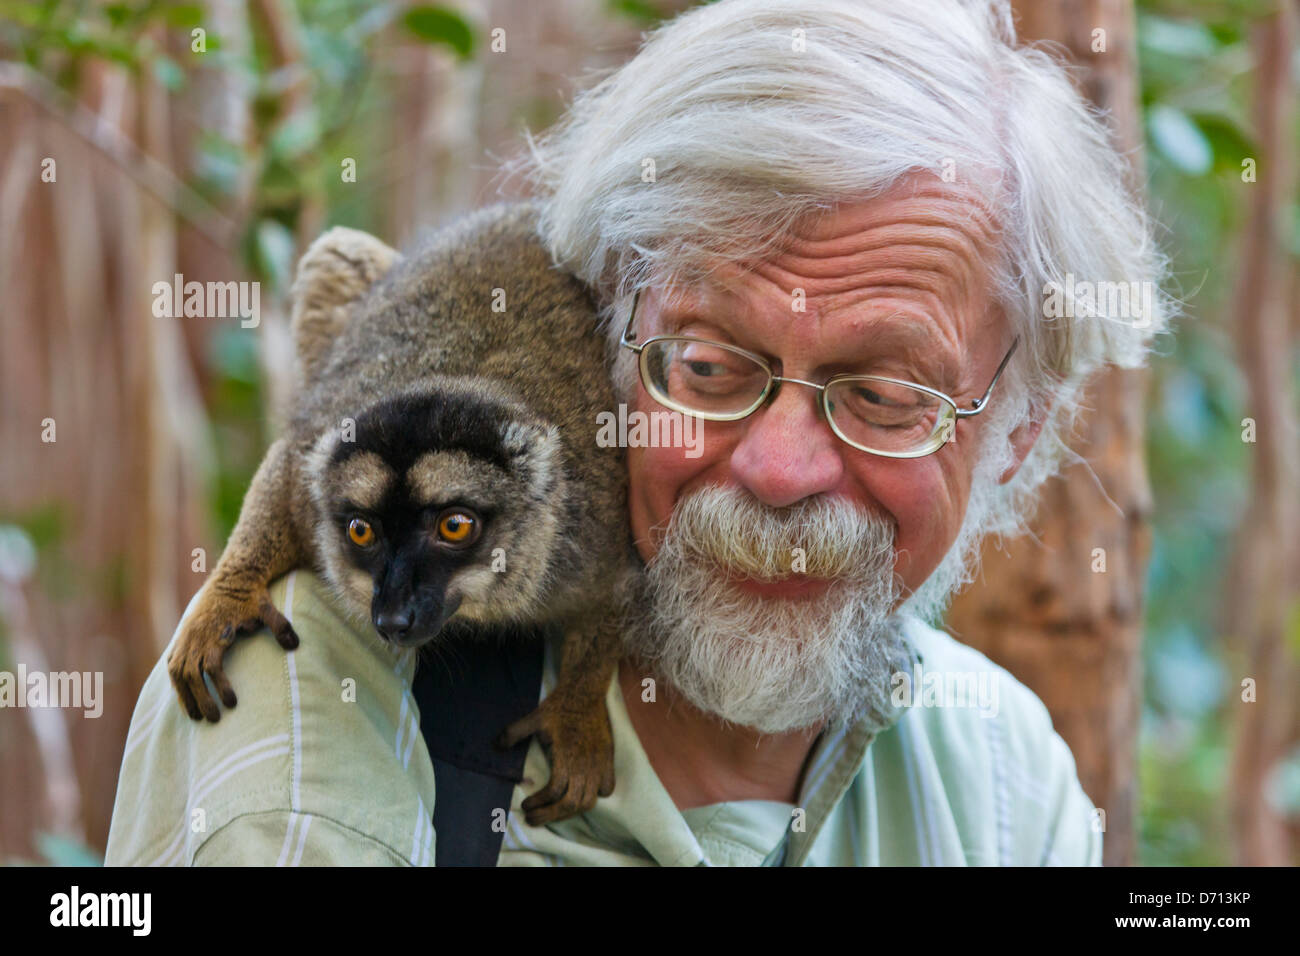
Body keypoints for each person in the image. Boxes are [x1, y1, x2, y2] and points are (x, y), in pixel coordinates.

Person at [105, 0, 1167, 866]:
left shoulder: (1001, 775)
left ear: (1016, 435)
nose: (779, 469)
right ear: (611, 340)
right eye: (706, 367)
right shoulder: (316, 682)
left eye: (886, 396)